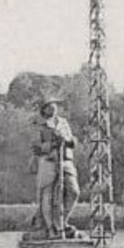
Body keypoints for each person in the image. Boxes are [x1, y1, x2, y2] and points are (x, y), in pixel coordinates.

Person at [32, 98, 80, 237]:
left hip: (66, 160)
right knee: (47, 194)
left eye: (55, 104)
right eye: (50, 105)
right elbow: (36, 147)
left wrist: (67, 140)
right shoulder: (38, 124)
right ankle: (50, 227)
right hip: (49, 161)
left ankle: (62, 222)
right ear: (44, 108)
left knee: (73, 191)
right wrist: (52, 144)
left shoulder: (63, 122)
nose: (54, 107)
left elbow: (73, 141)